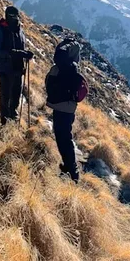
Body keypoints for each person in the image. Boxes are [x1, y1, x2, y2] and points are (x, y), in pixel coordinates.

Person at [46, 38, 88, 181]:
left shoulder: (60, 69)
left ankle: (72, 171)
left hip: (61, 107)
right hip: (68, 108)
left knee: (63, 137)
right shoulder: (73, 69)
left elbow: (49, 81)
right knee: (65, 137)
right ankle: (68, 166)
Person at [0, 6, 34, 125]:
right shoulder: (0, 31)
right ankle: (4, 121)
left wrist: (25, 54)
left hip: (17, 69)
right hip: (4, 68)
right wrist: (15, 53)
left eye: (15, 16)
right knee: (5, 95)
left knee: (16, 94)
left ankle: (13, 117)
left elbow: (21, 47)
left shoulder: (20, 31)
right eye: (12, 16)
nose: (14, 18)